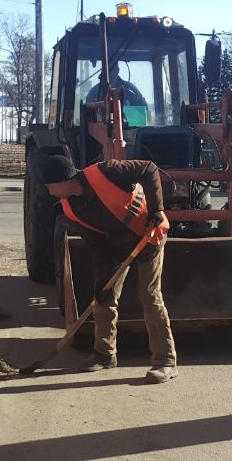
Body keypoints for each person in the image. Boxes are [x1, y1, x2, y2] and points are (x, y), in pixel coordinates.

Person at [42, 155, 176, 384]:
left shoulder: (106, 171)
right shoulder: (71, 209)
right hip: (119, 246)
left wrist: (156, 209)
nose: (50, 193)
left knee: (149, 295)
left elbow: (149, 168)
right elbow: (96, 245)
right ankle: (105, 354)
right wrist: (102, 280)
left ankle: (165, 361)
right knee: (104, 297)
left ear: (65, 180)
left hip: (149, 235)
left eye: (51, 186)